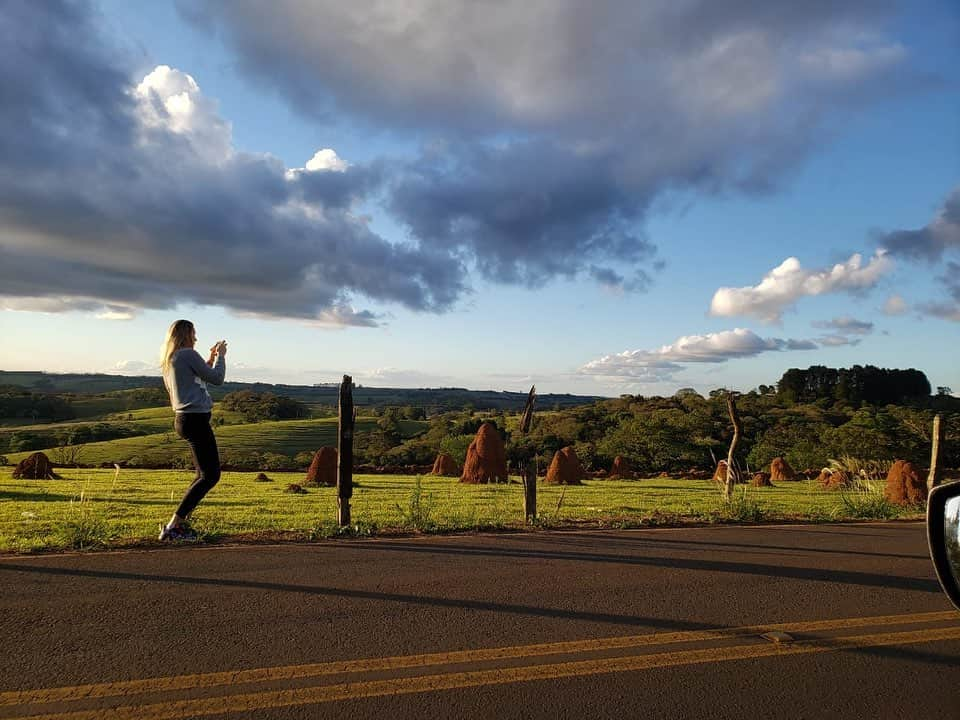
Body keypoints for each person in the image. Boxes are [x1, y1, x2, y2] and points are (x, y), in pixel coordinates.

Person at [158, 319, 227, 541]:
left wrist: (211, 358)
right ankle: (173, 527)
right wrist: (223, 356)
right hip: (195, 420)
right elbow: (216, 379)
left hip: (184, 420)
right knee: (211, 475)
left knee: (201, 474)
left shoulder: (172, 359)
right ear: (187, 334)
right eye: (194, 333)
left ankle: (179, 525)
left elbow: (196, 379)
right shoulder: (187, 354)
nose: (196, 338)